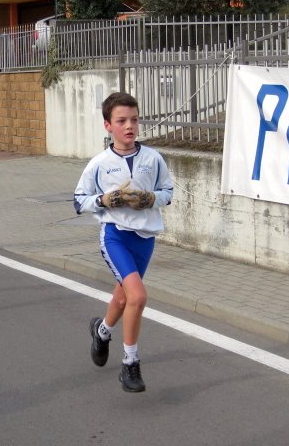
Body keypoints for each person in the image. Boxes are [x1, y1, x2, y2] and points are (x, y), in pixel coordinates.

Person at [73, 92, 174, 392]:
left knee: (122, 299)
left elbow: (168, 192)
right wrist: (104, 200)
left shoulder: (153, 158)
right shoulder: (99, 163)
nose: (129, 126)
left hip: (145, 238)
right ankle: (130, 363)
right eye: (121, 121)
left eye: (134, 119)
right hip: (115, 235)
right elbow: (79, 201)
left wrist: (150, 198)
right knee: (137, 297)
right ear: (108, 125)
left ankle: (102, 331)